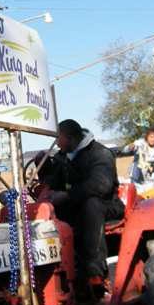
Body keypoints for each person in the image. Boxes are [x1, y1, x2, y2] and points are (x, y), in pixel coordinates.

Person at [34, 119, 125, 279]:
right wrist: (45, 165)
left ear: (69, 138)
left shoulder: (99, 153)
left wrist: (68, 195)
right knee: (48, 211)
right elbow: (53, 181)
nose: (56, 144)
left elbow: (101, 185)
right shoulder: (62, 157)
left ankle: (95, 263)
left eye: (58, 139)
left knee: (91, 204)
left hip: (106, 205)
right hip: (76, 206)